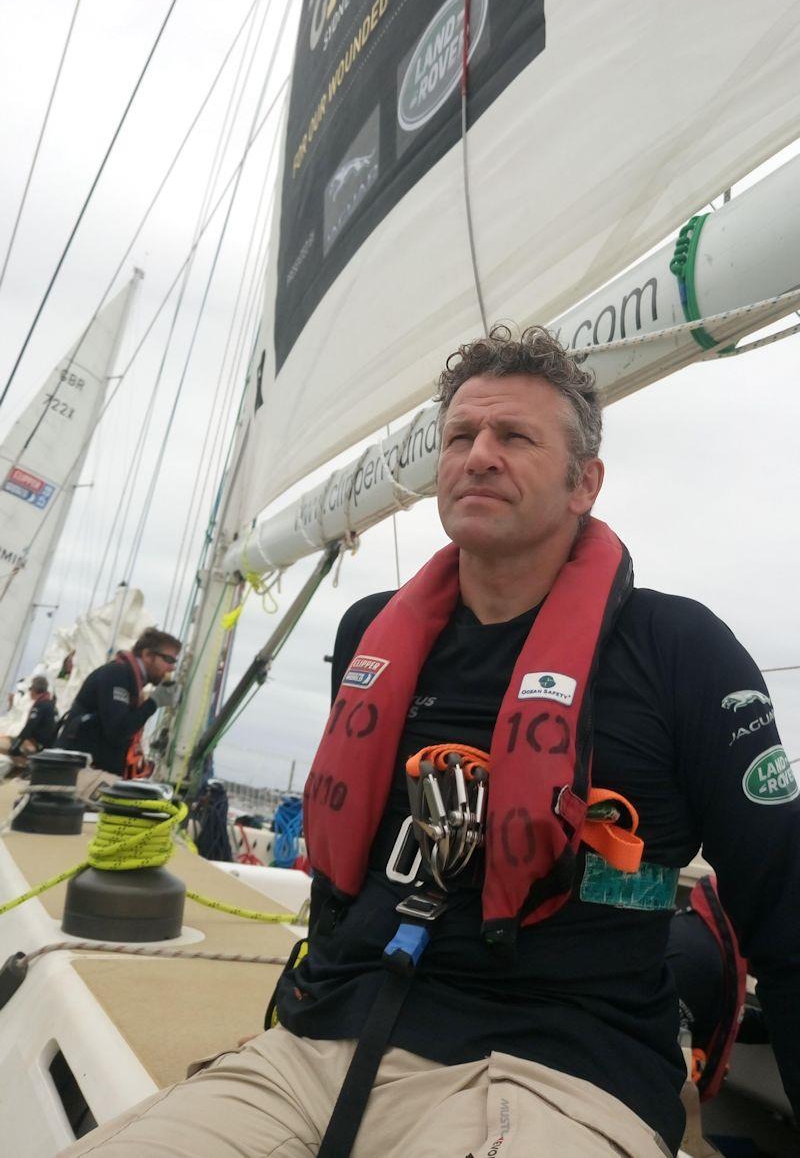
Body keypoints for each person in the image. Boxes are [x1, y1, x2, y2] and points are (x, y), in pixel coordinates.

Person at [58, 326, 800, 1158]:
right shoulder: (369, 632)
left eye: (514, 436)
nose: (478, 454)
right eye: (460, 436)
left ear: (584, 481)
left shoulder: (683, 651)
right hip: (319, 1044)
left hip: (554, 1070)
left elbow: (785, 909)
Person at [57, 627, 182, 777]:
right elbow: (118, 731)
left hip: (90, 772)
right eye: (169, 660)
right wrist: (153, 703)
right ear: (147, 655)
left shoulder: (127, 678)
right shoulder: (117, 675)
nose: (172, 667)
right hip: (78, 774)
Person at [0, 675, 57, 762]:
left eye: (30, 689)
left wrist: (16, 744)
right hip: (42, 743)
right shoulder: (49, 703)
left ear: (34, 689)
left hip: (35, 744)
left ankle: (26, 764)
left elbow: (29, 727)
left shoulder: (40, 706)